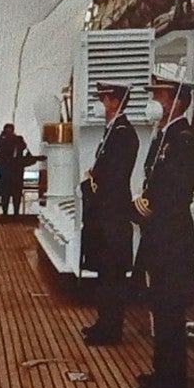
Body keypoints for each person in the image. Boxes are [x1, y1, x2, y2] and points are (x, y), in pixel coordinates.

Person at [130, 75, 194, 388]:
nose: (155, 101)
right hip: (159, 236)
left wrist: (148, 208)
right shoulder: (164, 136)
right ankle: (163, 371)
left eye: (161, 95)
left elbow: (175, 192)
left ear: (178, 101)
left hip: (172, 238)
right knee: (160, 306)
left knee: (170, 309)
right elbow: (152, 178)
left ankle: (173, 380)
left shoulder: (184, 140)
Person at [79, 82, 138, 346]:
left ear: (115, 101)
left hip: (112, 215)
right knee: (105, 273)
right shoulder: (113, 131)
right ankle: (104, 323)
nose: (101, 104)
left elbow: (114, 176)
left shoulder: (123, 134)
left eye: (104, 99)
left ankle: (111, 329)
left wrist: (93, 184)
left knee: (112, 275)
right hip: (104, 215)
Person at [0, 123, 31, 216]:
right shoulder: (4, 140)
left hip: (12, 170)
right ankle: (8, 212)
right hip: (11, 170)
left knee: (14, 193)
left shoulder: (18, 139)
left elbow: (23, 147)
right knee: (8, 193)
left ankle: (14, 212)